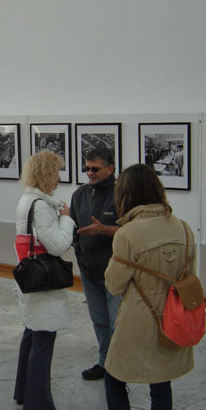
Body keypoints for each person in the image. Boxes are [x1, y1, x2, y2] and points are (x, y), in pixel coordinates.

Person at [85, 163, 195, 410]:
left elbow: (114, 284)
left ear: (126, 194)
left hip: (138, 318)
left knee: (115, 378)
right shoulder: (184, 228)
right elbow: (190, 278)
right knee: (162, 383)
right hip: (172, 318)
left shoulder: (128, 233)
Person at [13, 151, 75, 410]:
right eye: (57, 172)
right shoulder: (40, 205)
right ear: (46, 174)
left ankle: (24, 392)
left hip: (33, 278)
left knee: (32, 332)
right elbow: (59, 244)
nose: (60, 177)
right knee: (43, 337)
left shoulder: (28, 200)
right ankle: (38, 403)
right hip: (44, 282)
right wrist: (67, 218)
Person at [69, 148, 122, 380]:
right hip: (89, 271)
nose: (89, 173)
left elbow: (132, 233)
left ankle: (119, 366)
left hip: (115, 272)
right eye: (87, 168)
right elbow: (73, 229)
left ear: (110, 169)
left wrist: (104, 230)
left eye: (94, 169)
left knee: (116, 323)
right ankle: (105, 362)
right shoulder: (79, 194)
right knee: (99, 321)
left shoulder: (122, 194)